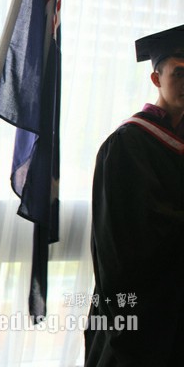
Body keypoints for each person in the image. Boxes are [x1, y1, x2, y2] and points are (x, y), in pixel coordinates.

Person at [85, 25, 184, 366]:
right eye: (179, 74)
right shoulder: (129, 143)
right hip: (142, 315)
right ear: (156, 79)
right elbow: (128, 242)